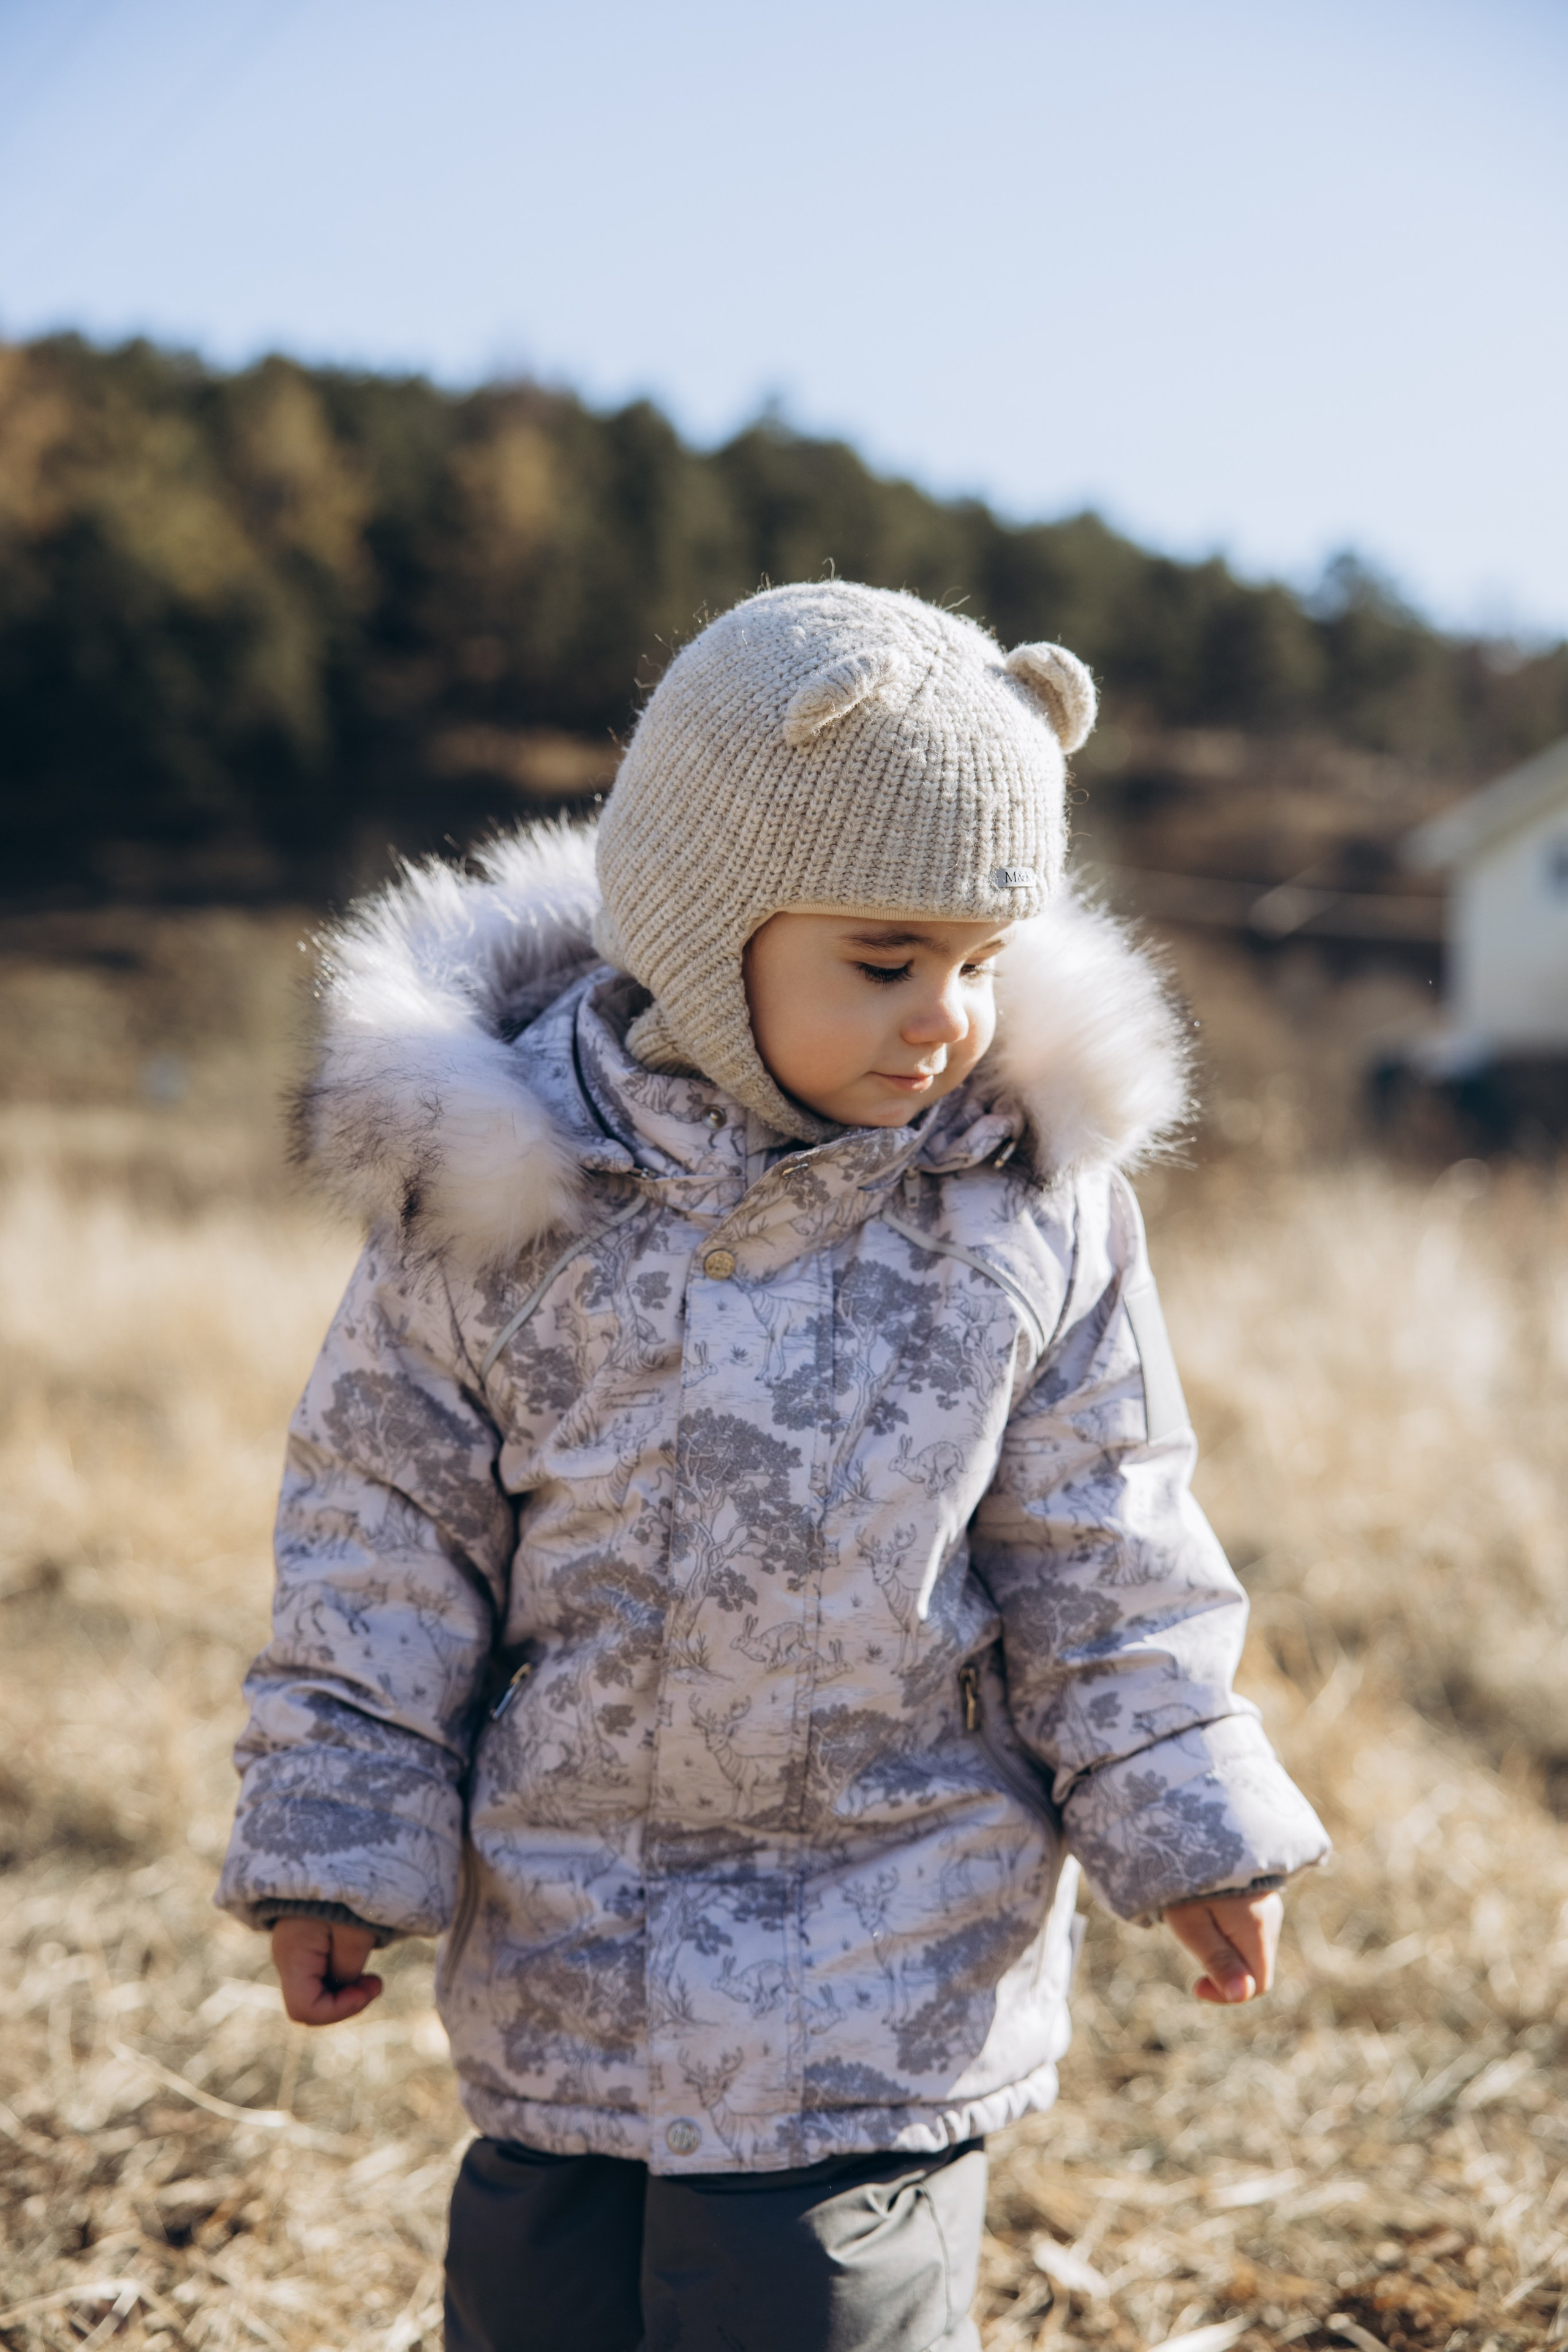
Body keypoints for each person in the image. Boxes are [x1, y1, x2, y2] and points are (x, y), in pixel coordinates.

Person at [218, 581, 1329, 2351]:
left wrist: (1188, 1818)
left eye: (981, 960)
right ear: (699, 926)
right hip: (567, 1968)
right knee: (537, 2310)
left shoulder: (1023, 1211)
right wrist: (336, 1839)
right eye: (884, 962)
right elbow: (381, 1534)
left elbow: (1108, 1535)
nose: (945, 1017)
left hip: (890, 1971)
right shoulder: (501, 1198)